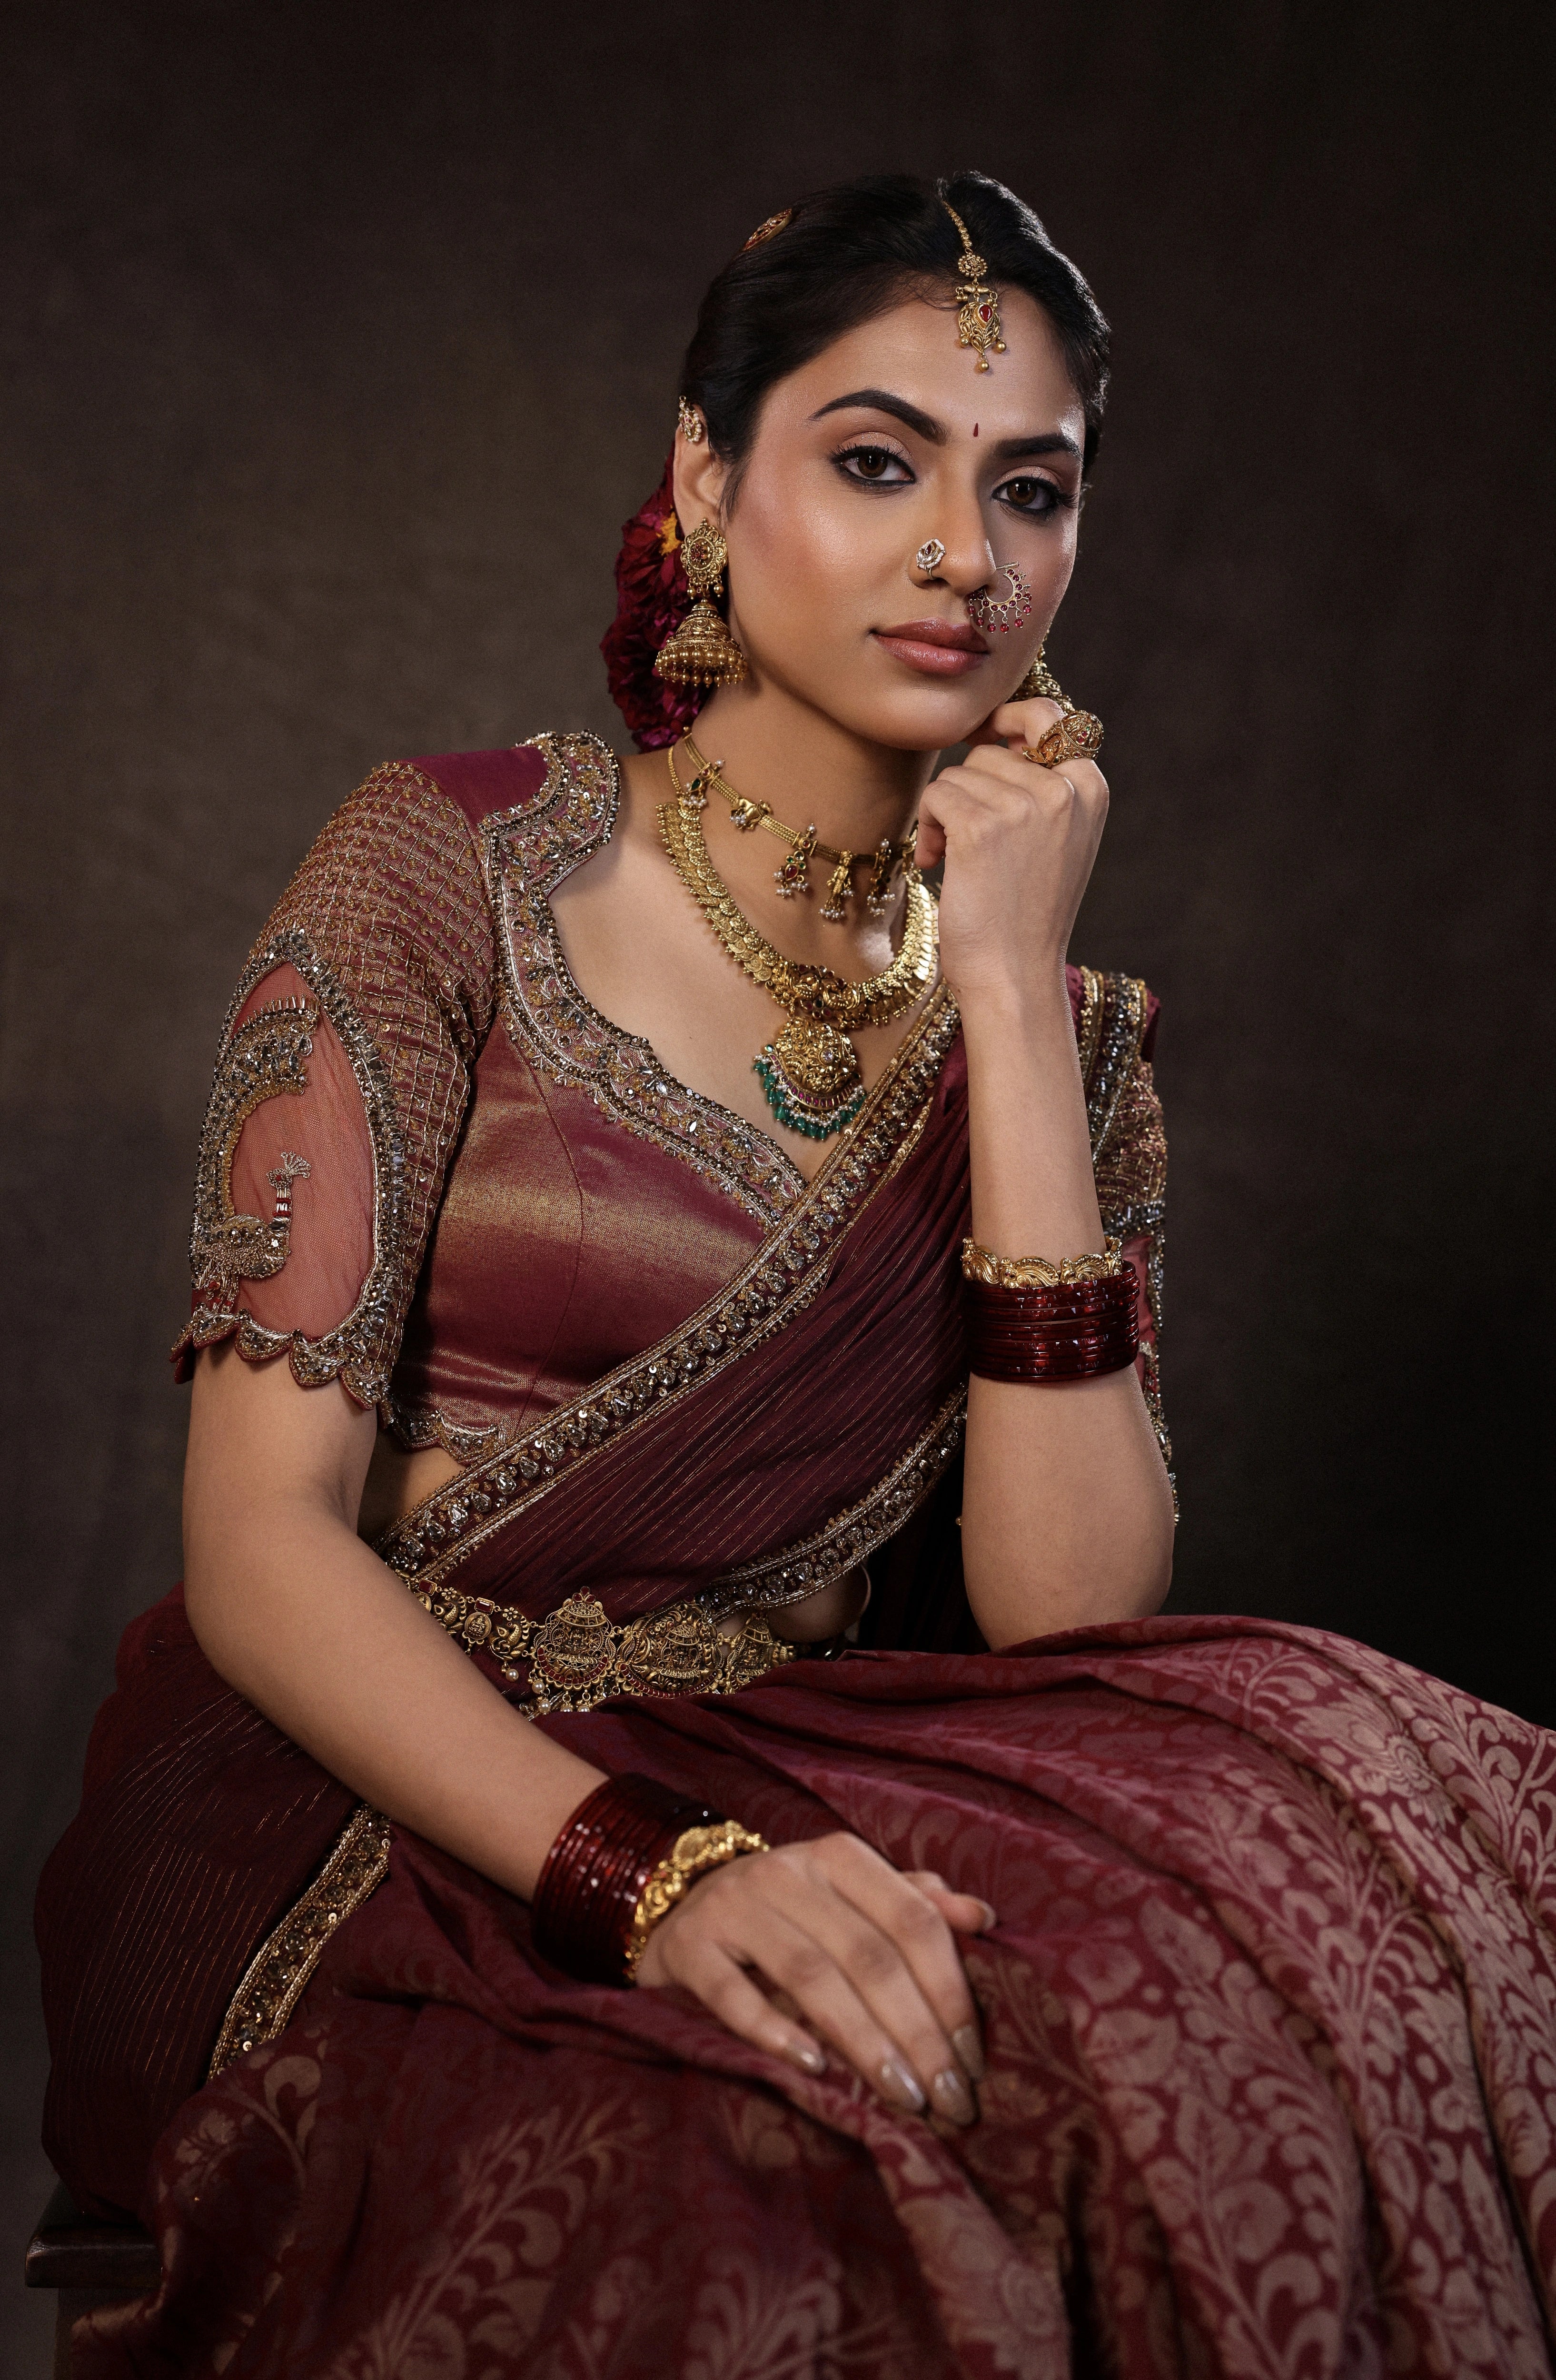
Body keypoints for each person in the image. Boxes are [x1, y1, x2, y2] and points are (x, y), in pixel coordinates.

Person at [36, 172, 1556, 2380]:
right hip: (391, 1796)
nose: (964, 553)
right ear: (701, 476)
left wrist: (1013, 988)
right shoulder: (453, 870)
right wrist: (659, 1874)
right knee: (776, 2167)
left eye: (1026, 489)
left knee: (1325, 1885)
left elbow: (1067, 1621)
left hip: (825, 1754)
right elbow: (257, 1543)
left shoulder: (1066, 1029)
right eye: (874, 462)